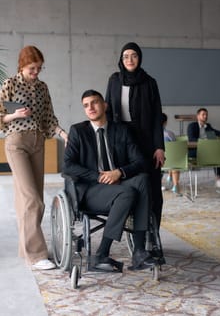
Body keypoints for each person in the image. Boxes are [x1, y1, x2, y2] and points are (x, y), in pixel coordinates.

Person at [63, 89, 157, 271]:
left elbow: (140, 161)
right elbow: (68, 166)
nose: (90, 108)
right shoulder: (78, 131)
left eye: (95, 103)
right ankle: (101, 254)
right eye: (86, 105)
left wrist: (119, 172)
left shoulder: (121, 130)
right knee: (127, 193)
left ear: (105, 105)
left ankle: (139, 252)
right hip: (92, 189)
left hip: (119, 181)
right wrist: (98, 176)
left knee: (143, 180)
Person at [0, 46, 68, 270]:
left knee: (29, 199)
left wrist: (63, 133)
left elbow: (48, 117)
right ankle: (37, 255)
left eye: (39, 68)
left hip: (38, 143)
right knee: (33, 200)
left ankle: (25, 249)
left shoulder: (42, 87)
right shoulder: (10, 84)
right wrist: (14, 114)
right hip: (16, 143)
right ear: (22, 65)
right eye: (32, 68)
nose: (36, 72)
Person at [105, 42, 165, 229]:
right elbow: (107, 110)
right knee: (128, 184)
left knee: (153, 188)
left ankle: (153, 234)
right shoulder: (114, 80)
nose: (130, 60)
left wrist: (159, 147)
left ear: (139, 58)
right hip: (120, 141)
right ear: (121, 60)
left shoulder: (150, 82)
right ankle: (133, 228)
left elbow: (156, 117)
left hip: (146, 141)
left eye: (134, 56)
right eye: (126, 56)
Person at [187, 107, 220, 188]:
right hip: (196, 150)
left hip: (208, 150)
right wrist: (205, 142)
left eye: (206, 115)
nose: (205, 116)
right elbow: (191, 139)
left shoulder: (208, 126)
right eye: (203, 114)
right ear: (198, 116)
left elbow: (218, 132)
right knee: (214, 152)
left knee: (216, 153)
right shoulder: (192, 126)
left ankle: (218, 180)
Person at [162, 113, 180, 194]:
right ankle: (176, 185)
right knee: (175, 161)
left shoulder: (150, 135)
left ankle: (160, 183)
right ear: (165, 122)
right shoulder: (169, 134)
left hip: (158, 162)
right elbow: (175, 147)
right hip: (171, 160)